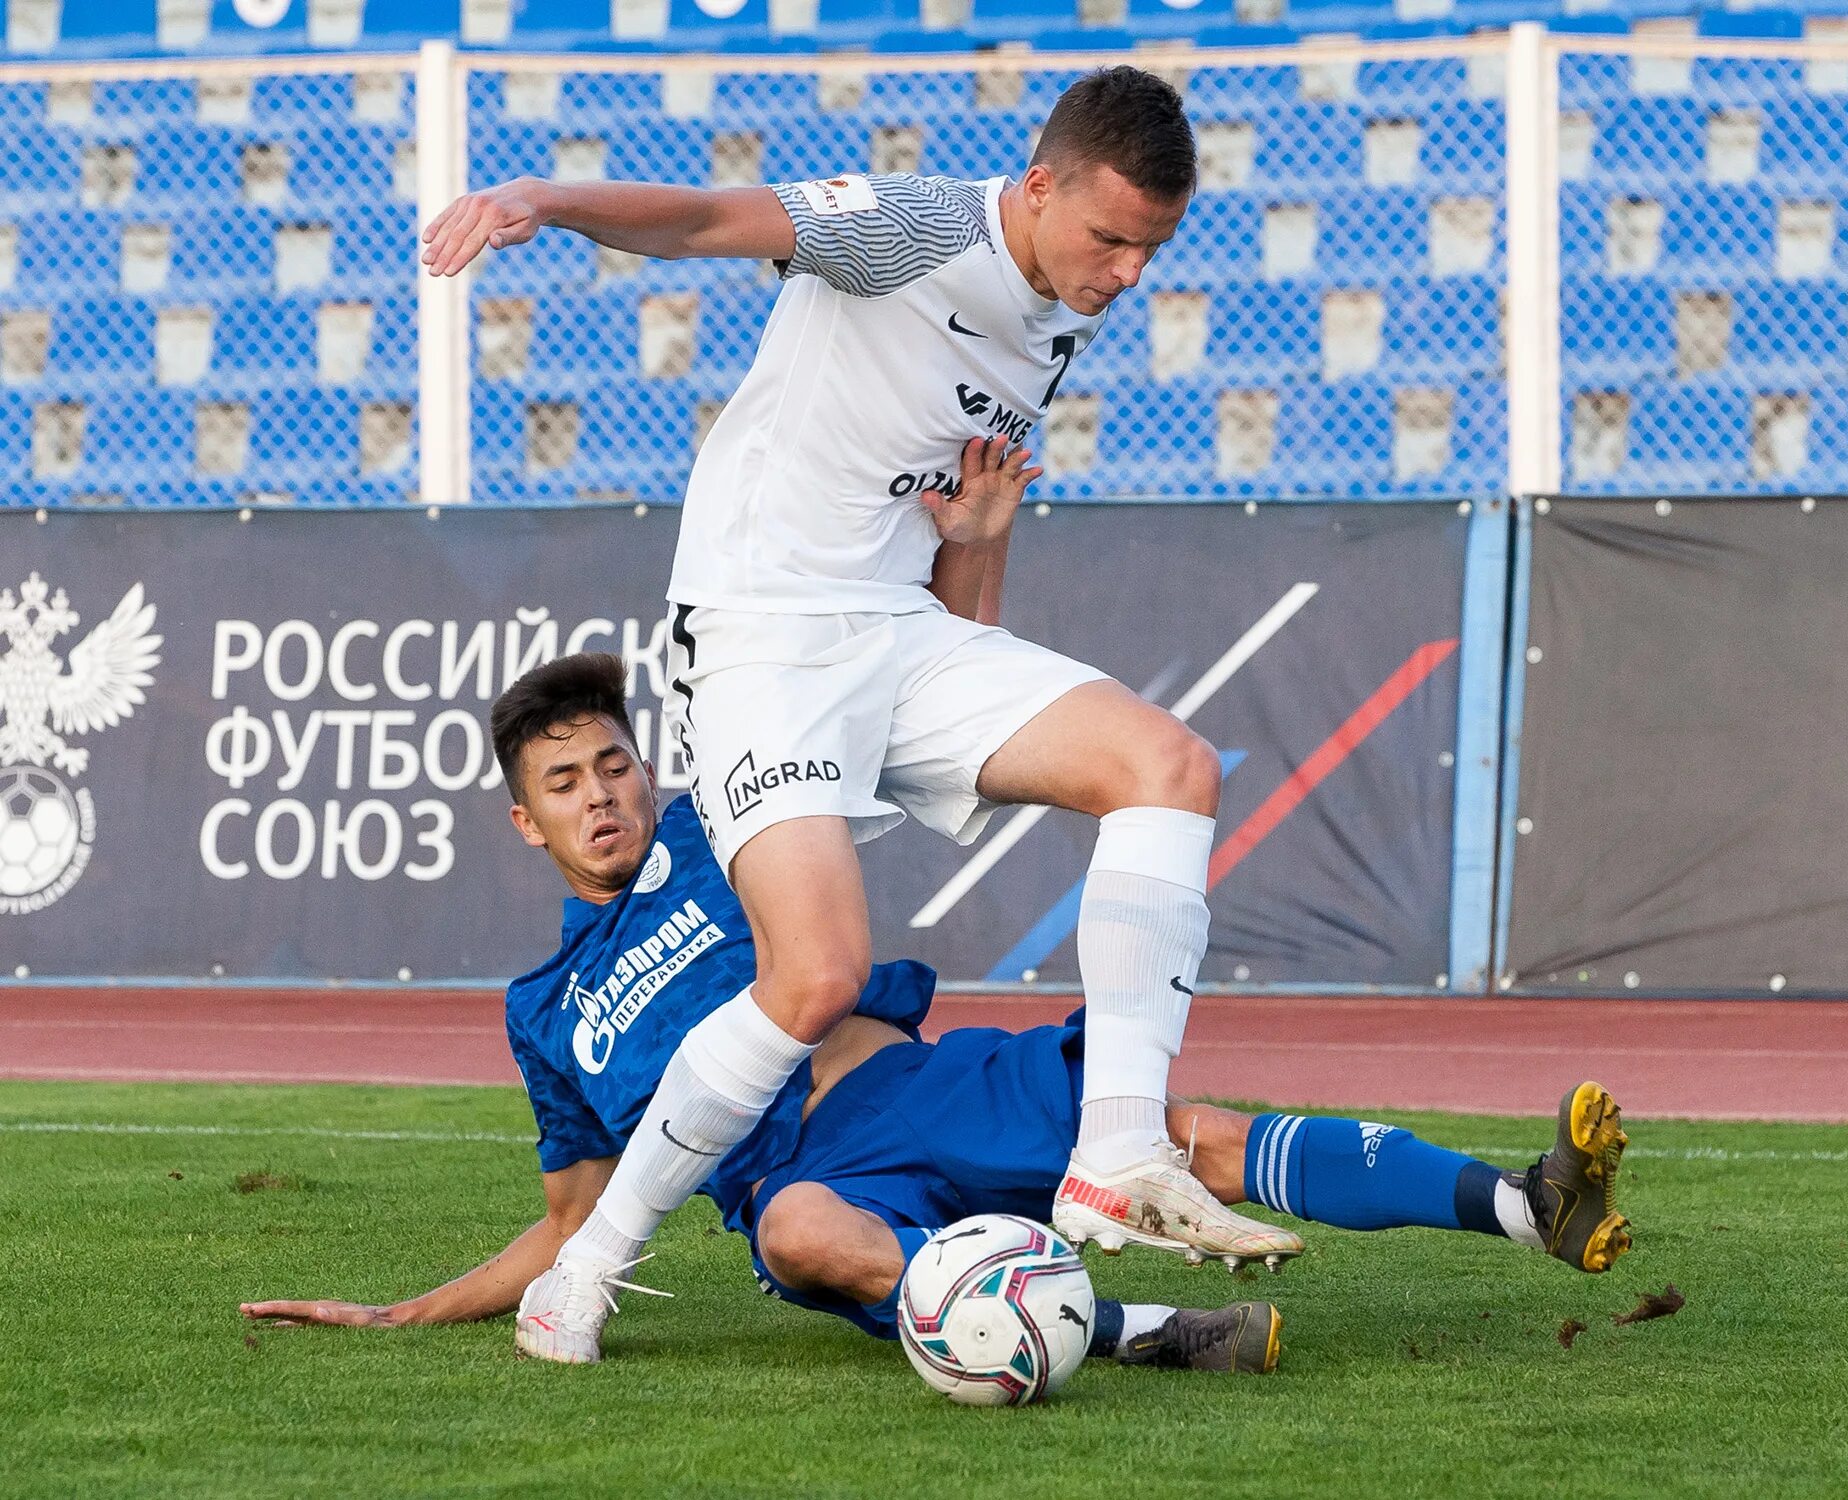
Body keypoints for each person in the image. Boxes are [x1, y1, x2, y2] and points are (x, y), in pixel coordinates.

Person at [423, 63, 1300, 1362]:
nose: (1126, 275)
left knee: (1165, 765)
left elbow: (954, 592)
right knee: (817, 972)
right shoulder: (918, 226)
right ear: (1039, 187)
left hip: (897, 630)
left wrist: (977, 546)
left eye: (1150, 251)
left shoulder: (1059, 314)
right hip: (760, 636)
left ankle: (1115, 1152)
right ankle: (589, 1270)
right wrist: (538, 200)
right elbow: (712, 222)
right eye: (1110, 239)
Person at [238, 653, 1634, 1370]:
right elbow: (571, 1224)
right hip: (805, 1178)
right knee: (798, 1234)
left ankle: (1524, 1203)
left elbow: (931, 683)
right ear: (524, 819)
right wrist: (403, 1314)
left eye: (614, 764)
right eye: (565, 782)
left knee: (1182, 1133)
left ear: (648, 774)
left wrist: (973, 534)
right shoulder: (544, 1010)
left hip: (924, 1086)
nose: (600, 794)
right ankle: (1132, 1329)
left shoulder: (725, 836)